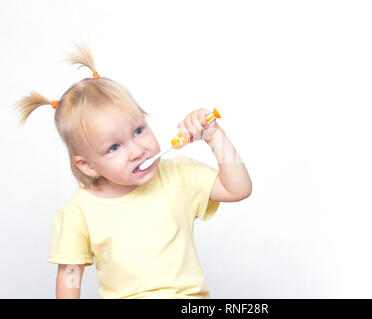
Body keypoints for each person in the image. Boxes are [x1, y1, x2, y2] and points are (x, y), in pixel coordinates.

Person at [15, 43, 252, 299]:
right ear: (88, 165)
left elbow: (238, 188)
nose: (137, 150)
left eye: (139, 130)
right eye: (114, 147)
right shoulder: (78, 212)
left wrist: (214, 136)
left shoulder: (178, 175)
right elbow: (70, 278)